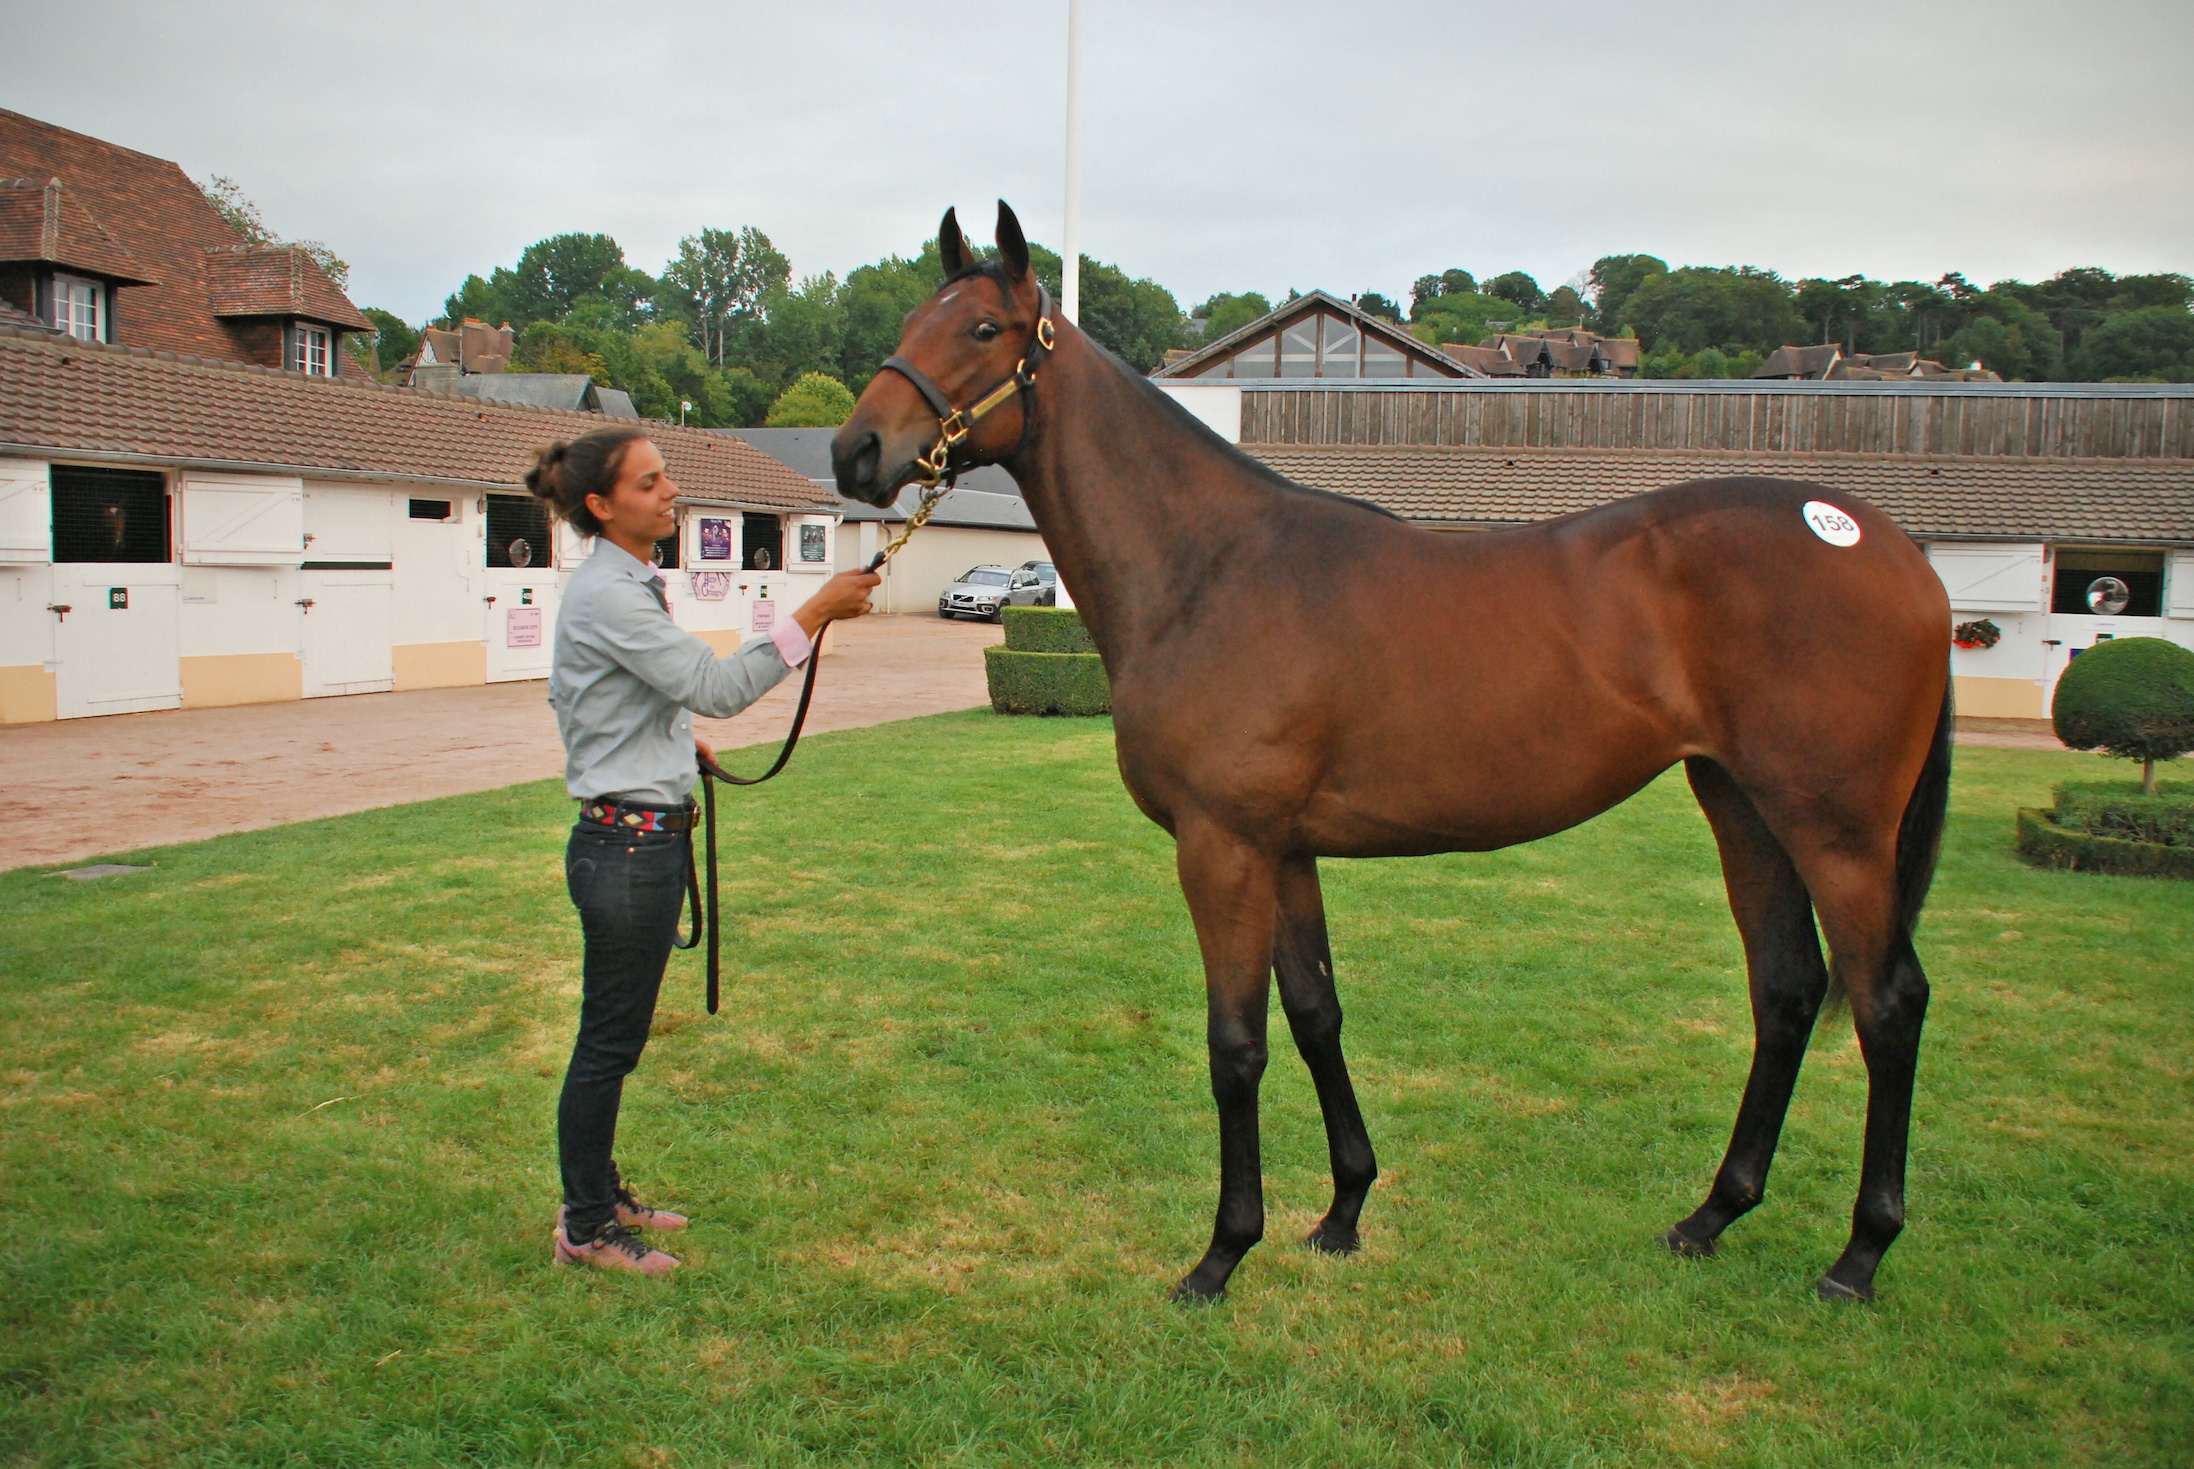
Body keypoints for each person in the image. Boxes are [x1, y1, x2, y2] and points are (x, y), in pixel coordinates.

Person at [525, 425, 879, 1275]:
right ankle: (585, 1225)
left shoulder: (625, 582)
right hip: (623, 853)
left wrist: (671, 747)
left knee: (618, 1039)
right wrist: (815, 611)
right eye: (650, 483)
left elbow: (609, 698)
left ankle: (599, 1193)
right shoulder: (609, 594)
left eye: (665, 475)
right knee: (607, 1044)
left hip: (634, 840)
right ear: (604, 507)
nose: (670, 490)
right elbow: (715, 686)